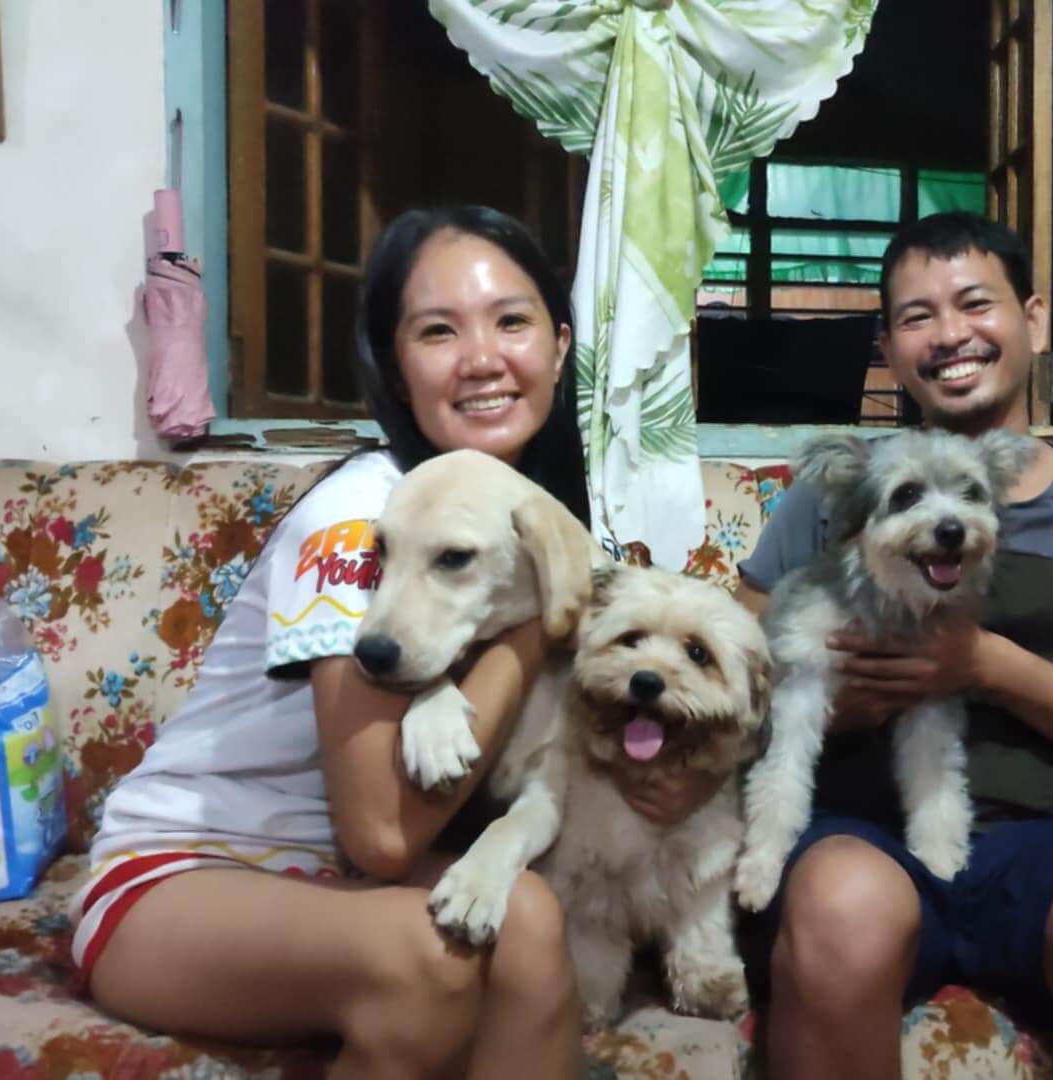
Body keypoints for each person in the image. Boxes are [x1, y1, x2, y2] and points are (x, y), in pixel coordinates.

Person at [70, 205, 708, 1078]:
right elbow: (381, 832)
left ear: (559, 348)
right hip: (185, 877)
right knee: (435, 955)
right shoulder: (361, 518)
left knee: (526, 921)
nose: (483, 358)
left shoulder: (524, 512)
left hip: (329, 885)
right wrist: (537, 623)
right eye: (438, 331)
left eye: (511, 322)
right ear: (396, 368)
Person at [735, 211, 1053, 1080]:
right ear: (889, 348)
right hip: (863, 832)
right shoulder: (841, 495)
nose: (950, 335)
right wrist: (835, 699)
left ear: (1033, 320)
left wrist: (989, 667)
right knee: (839, 919)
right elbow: (733, 660)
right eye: (917, 317)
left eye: (975, 303)